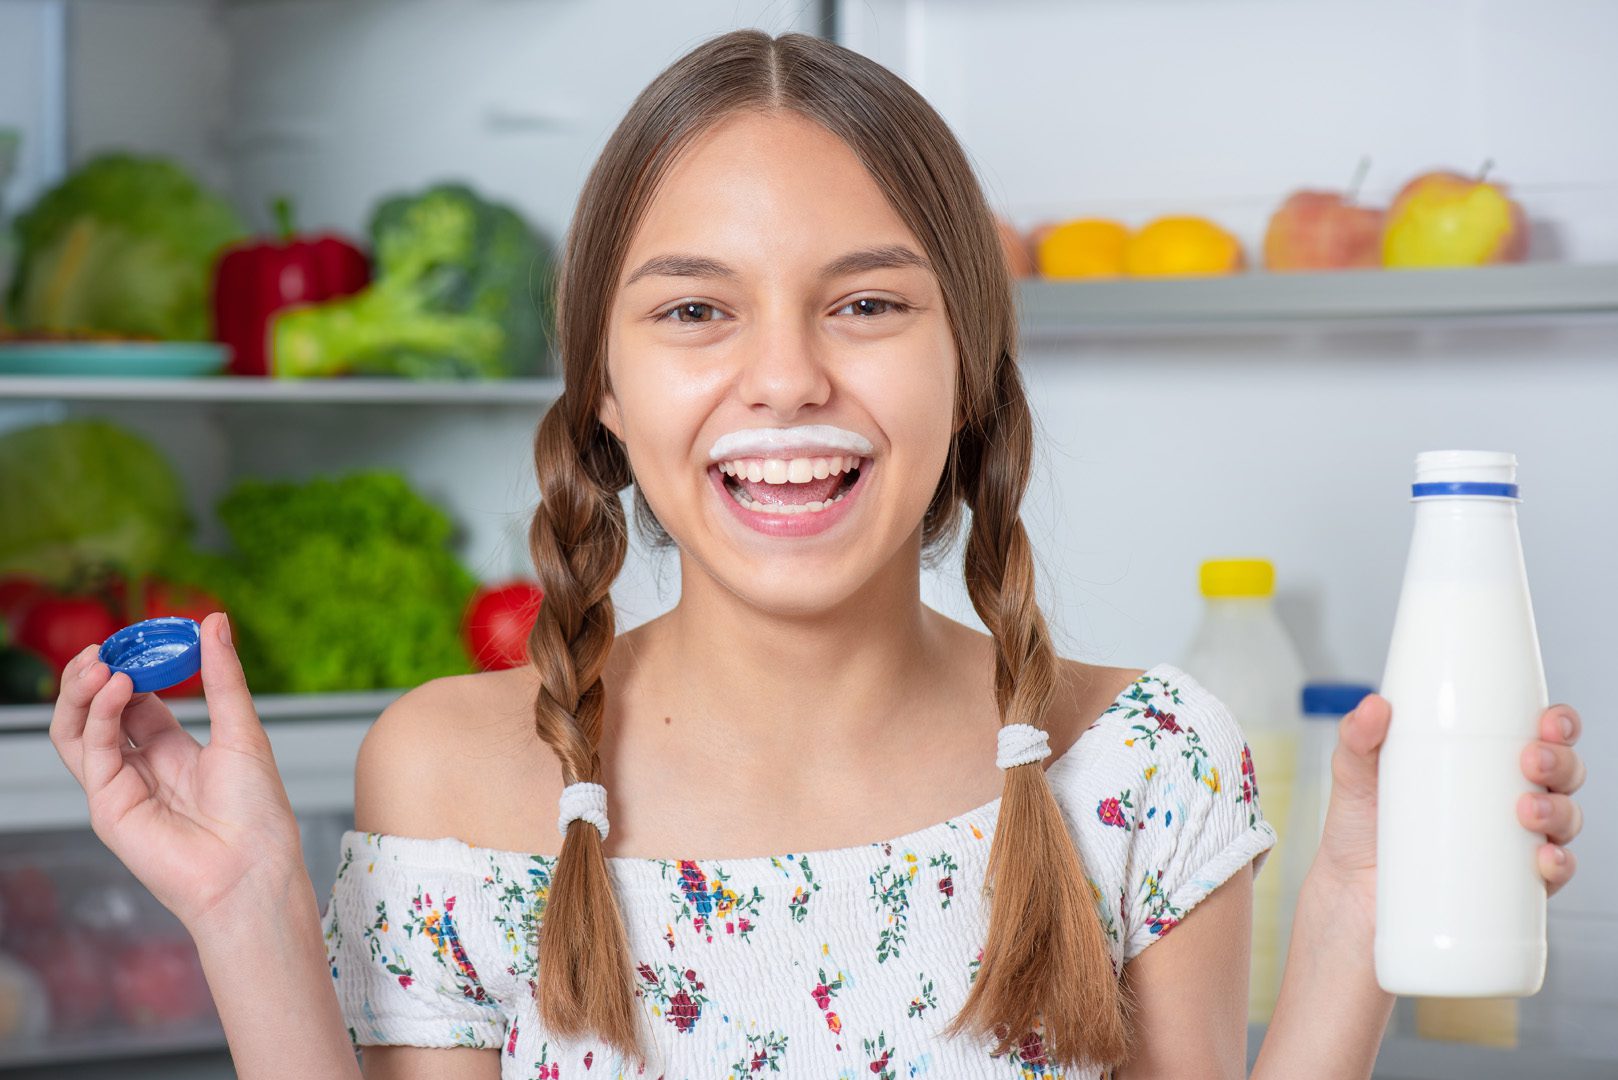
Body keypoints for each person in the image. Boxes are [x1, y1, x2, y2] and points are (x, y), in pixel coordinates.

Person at [49, 28, 1586, 1080]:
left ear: (969, 367)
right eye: (694, 310)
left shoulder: (1143, 764)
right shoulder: (454, 775)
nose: (783, 378)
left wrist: (1352, 929)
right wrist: (247, 910)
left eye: (865, 302)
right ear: (602, 384)